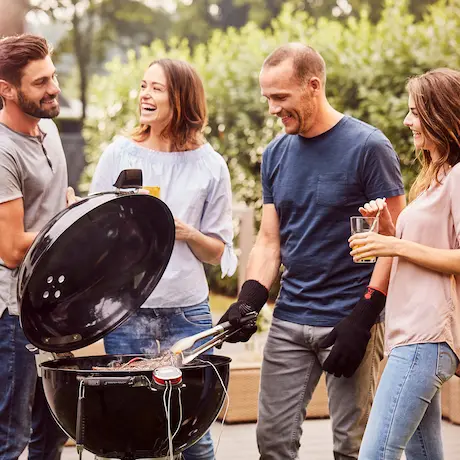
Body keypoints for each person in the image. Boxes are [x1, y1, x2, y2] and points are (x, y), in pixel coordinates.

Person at [217, 43, 406, 460]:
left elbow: (398, 241)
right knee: (273, 443)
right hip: (290, 321)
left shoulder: (368, 147)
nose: (271, 109)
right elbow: (270, 240)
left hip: (350, 319)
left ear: (313, 86)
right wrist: (250, 298)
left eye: (280, 97)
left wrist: (365, 315)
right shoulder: (276, 153)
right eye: (267, 98)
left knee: (353, 446)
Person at [90, 58, 237, 460]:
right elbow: (94, 234)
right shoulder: (118, 154)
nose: (144, 95)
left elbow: (218, 251)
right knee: (132, 427)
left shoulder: (211, 165)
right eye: (143, 86)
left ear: (181, 98)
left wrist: (186, 232)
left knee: (193, 431)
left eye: (156, 88)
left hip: (187, 314)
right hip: (127, 310)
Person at [350, 68, 460, 460]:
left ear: (441, 115)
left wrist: (394, 247)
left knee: (375, 454)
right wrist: (388, 231)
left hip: (426, 338)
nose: (407, 121)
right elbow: (425, 247)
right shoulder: (438, 177)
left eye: (416, 112)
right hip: (411, 337)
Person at [0, 34, 74, 460]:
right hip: (14, 314)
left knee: (52, 433)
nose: (53, 88)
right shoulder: (4, 150)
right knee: (10, 436)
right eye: (40, 82)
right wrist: (75, 227)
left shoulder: (49, 130)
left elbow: (52, 204)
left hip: (56, 306)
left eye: (53, 76)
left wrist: (71, 207)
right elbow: (11, 247)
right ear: (7, 90)